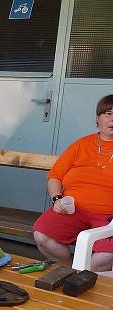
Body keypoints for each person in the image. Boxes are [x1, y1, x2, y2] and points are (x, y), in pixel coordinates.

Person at [33, 95, 113, 271]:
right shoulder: (81, 146)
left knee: (105, 257)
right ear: (97, 118)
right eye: (108, 113)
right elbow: (55, 176)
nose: (112, 119)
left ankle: (82, 278)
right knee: (42, 236)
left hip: (108, 217)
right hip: (73, 210)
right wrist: (57, 199)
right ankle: (70, 270)